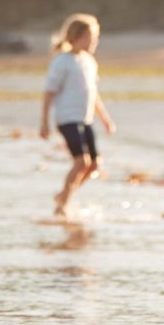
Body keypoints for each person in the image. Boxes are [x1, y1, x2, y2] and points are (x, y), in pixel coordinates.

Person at [40, 13, 116, 218]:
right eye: (90, 37)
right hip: (67, 118)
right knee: (81, 162)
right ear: (76, 37)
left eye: (95, 38)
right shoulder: (62, 62)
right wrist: (44, 122)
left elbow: (94, 94)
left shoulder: (89, 62)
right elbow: (49, 92)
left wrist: (106, 119)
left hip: (85, 118)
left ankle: (63, 195)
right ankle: (62, 205)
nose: (94, 42)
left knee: (94, 165)